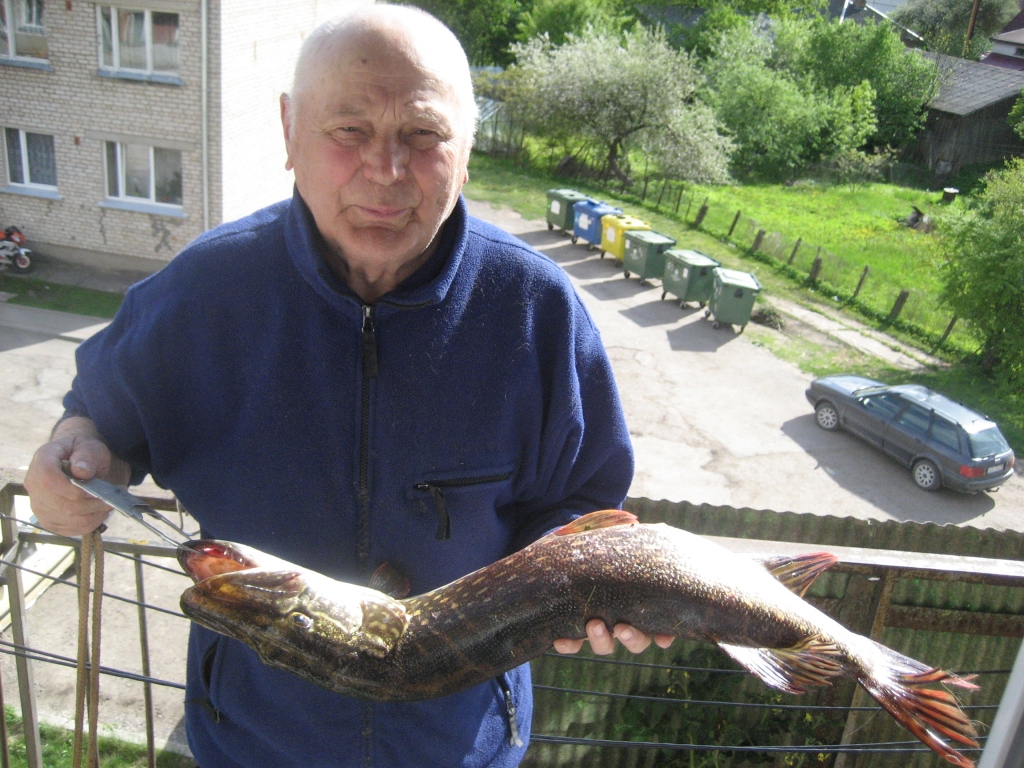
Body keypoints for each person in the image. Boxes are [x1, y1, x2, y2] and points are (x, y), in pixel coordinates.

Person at [24, 6, 669, 767]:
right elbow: (99, 423)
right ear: (290, 131)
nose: (386, 169)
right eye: (350, 131)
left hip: (460, 748)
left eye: (423, 134)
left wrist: (583, 579)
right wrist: (72, 464)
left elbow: (581, 496)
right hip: (253, 746)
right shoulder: (202, 292)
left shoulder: (537, 310)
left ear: (467, 148)